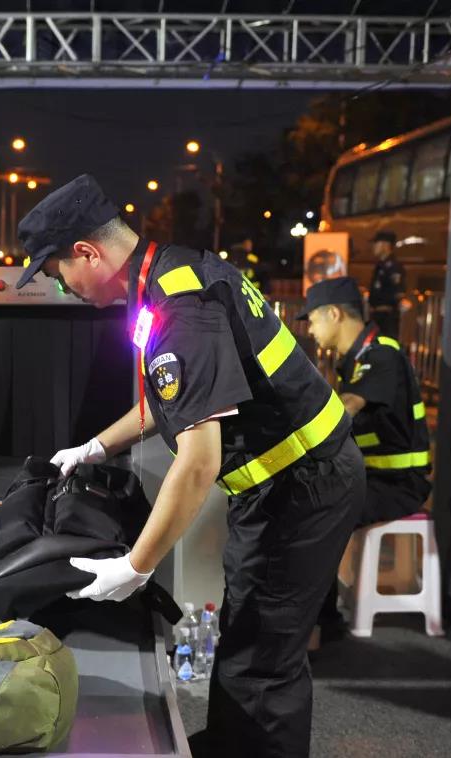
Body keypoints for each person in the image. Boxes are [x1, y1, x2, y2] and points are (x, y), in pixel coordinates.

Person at [19, 175, 364, 757]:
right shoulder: (173, 271)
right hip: (291, 482)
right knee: (246, 642)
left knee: (262, 664)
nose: (62, 288)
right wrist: (95, 447)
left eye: (57, 274)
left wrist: (136, 566)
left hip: (301, 487)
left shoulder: (177, 306)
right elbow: (175, 399)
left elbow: (199, 462)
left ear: (87, 252)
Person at [301, 277, 432, 648]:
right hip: (373, 478)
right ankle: (321, 620)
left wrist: (299, 435)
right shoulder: (356, 360)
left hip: (399, 484)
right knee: (307, 500)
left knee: (318, 514)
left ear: (334, 314)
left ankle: (318, 626)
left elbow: (348, 407)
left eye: (312, 319)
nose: (310, 329)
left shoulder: (382, 355)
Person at [368, 230, 405, 339]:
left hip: (387, 318)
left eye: (376, 243)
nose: (374, 247)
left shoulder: (393, 267)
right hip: (377, 316)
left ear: (385, 245)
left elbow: (398, 292)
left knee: (386, 343)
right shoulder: (380, 266)